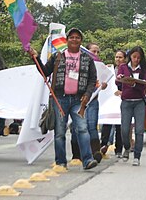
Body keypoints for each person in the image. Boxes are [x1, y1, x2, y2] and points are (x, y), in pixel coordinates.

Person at [29, 28, 98, 170]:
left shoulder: (87, 59)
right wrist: (35, 58)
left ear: (81, 41)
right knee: (60, 132)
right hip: (60, 98)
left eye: (77, 37)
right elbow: (45, 71)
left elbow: (92, 79)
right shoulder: (57, 56)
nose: (74, 39)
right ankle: (61, 162)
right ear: (67, 40)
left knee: (82, 129)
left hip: (79, 100)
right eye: (71, 37)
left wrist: (88, 94)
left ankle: (87, 160)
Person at [116, 46, 146, 166]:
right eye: (134, 57)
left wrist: (134, 84)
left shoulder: (144, 70)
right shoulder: (123, 67)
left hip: (139, 101)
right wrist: (120, 79)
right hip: (126, 101)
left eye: (139, 58)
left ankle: (137, 155)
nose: (136, 59)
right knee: (124, 129)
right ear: (130, 56)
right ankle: (127, 147)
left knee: (139, 129)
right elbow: (117, 82)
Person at [71, 43, 103, 164]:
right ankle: (76, 155)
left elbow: (102, 82)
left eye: (97, 52)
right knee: (76, 127)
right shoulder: (77, 63)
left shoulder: (100, 66)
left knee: (91, 125)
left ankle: (96, 152)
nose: (96, 54)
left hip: (93, 100)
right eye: (93, 51)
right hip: (78, 100)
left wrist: (102, 86)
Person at [100, 50, 125, 158]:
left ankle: (119, 149)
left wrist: (122, 92)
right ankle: (103, 145)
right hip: (110, 101)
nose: (118, 59)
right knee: (107, 123)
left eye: (120, 57)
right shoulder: (110, 69)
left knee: (120, 125)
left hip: (122, 100)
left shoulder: (126, 71)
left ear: (125, 59)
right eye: (116, 57)